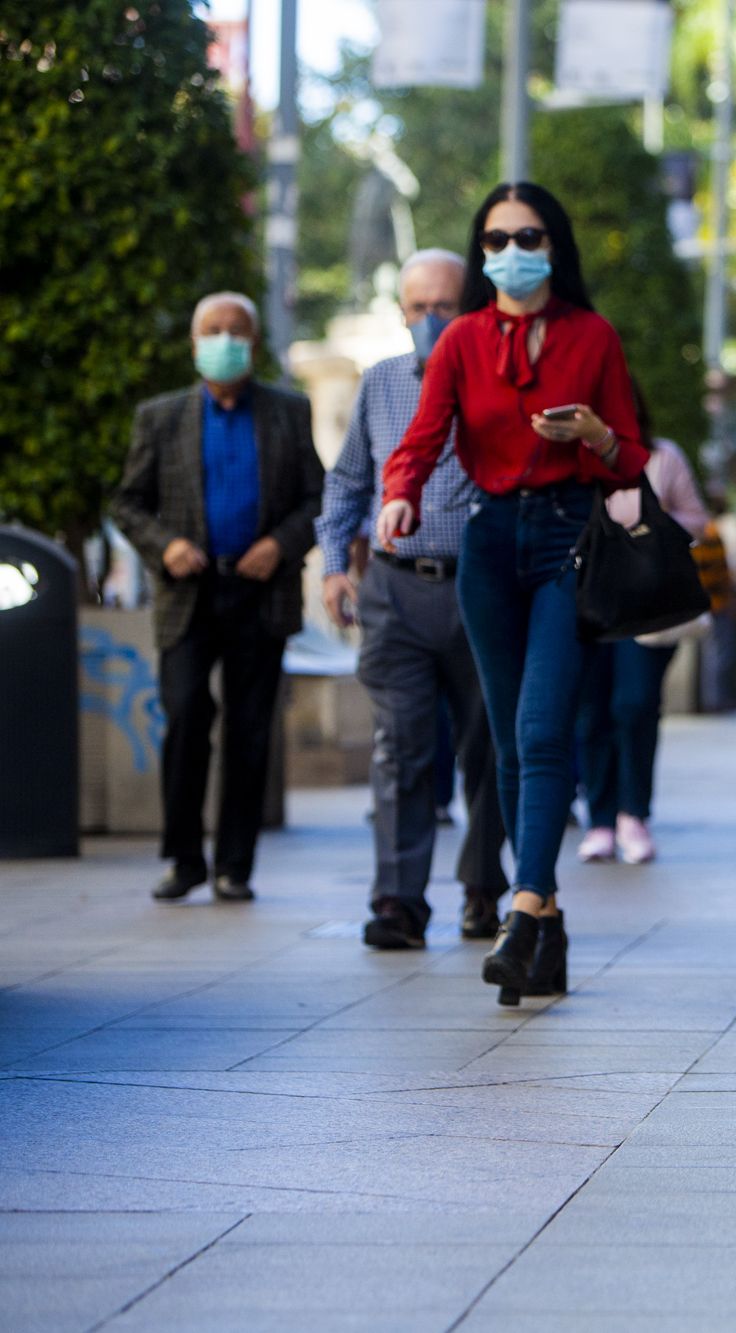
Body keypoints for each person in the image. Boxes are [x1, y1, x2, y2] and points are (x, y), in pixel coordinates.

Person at [377, 182, 649, 1005]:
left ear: (553, 245)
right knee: (502, 737)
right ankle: (549, 924)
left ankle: (523, 909)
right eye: (493, 240)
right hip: (489, 540)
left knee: (539, 727)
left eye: (526, 236)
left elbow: (631, 457)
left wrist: (593, 434)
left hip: (569, 534)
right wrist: (401, 492)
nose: (509, 252)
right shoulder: (460, 340)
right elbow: (423, 436)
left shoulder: (591, 335)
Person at [317, 248, 509, 949]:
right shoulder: (381, 384)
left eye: (444, 306)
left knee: (486, 748)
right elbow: (346, 483)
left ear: (474, 309)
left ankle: (483, 888)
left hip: (480, 589)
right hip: (395, 591)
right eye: (418, 307)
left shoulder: (499, 381)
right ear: (401, 312)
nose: (430, 320)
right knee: (399, 748)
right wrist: (336, 564)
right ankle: (398, 899)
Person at [111, 292, 323, 904]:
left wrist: (279, 546)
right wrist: (165, 546)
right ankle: (183, 858)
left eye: (237, 330)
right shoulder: (161, 416)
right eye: (212, 329)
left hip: (260, 592)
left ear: (253, 343)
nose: (225, 339)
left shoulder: (288, 411)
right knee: (184, 717)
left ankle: (235, 865)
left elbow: (318, 497)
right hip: (188, 593)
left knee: (251, 731)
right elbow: (128, 502)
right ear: (194, 340)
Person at [574, 431, 710, 865]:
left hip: (647, 604)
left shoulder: (663, 456)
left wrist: (648, 525)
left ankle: (633, 813)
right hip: (589, 602)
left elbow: (696, 520)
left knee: (633, 705)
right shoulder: (571, 456)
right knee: (591, 710)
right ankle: (599, 818)